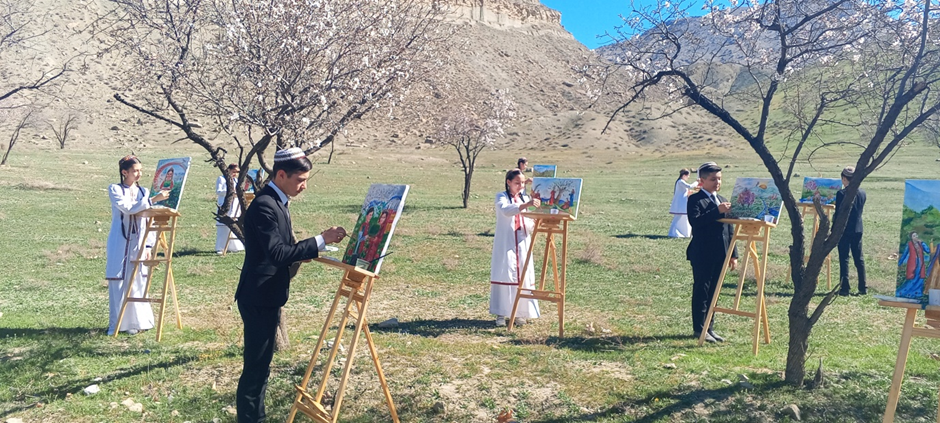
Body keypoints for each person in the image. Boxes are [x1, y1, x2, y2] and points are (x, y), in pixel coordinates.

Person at [234, 147, 346, 423]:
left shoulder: (277, 201)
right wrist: (321, 240)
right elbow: (278, 254)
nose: (304, 186)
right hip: (259, 296)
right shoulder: (264, 204)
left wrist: (302, 252)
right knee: (256, 368)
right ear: (281, 174)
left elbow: (280, 249)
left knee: (261, 367)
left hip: (267, 295)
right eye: (300, 180)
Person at [105, 155, 170, 336]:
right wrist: (154, 200)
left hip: (139, 242)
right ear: (124, 172)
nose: (139, 174)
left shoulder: (144, 192)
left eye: (140, 170)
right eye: (135, 171)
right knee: (119, 281)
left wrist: (149, 246)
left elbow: (147, 220)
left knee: (138, 281)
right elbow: (128, 208)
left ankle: (139, 322)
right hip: (120, 241)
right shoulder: (115, 189)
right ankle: (117, 324)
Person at [686, 162, 737, 343]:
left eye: (719, 179)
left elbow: (730, 228)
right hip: (702, 253)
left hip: (721, 253)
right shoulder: (695, 199)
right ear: (702, 180)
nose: (717, 182)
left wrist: (734, 254)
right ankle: (699, 329)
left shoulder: (721, 198)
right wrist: (717, 211)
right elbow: (696, 222)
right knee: (702, 290)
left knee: (714, 291)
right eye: (713, 179)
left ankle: (710, 327)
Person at [490, 169, 541, 327]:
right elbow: (506, 211)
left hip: (522, 241)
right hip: (506, 242)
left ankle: (520, 313)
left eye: (523, 183)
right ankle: (501, 314)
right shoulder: (502, 197)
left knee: (523, 275)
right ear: (509, 182)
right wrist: (526, 205)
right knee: (505, 274)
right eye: (517, 183)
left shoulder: (525, 197)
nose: (520, 186)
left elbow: (528, 220)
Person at [835, 165, 867, 296]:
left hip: (845, 229)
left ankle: (845, 288)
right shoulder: (862, 193)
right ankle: (863, 287)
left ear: (844, 178)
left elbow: (839, 213)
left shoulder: (842, 194)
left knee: (844, 258)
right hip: (858, 228)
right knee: (859, 258)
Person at [216, 163, 245, 254]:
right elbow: (219, 191)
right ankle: (220, 248)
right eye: (234, 171)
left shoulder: (236, 180)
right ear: (229, 170)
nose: (235, 174)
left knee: (234, 225)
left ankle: (234, 247)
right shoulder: (221, 179)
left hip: (235, 206)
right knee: (223, 227)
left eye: (237, 172)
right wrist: (230, 192)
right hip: (225, 205)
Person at [668, 168, 698, 238]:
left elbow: (685, 191)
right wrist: (696, 182)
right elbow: (689, 186)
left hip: (683, 202)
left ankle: (685, 233)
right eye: (688, 175)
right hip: (680, 203)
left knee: (684, 218)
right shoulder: (680, 182)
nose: (688, 177)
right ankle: (674, 233)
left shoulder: (681, 182)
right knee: (678, 218)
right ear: (684, 175)